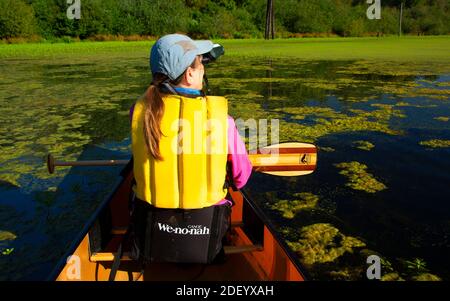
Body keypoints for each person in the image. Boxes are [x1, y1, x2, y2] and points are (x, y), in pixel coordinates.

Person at [128, 34, 252, 265]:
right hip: (205, 237)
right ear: (190, 74)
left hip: (151, 229)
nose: (204, 71)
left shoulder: (139, 113)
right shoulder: (222, 121)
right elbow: (241, 178)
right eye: (201, 65)